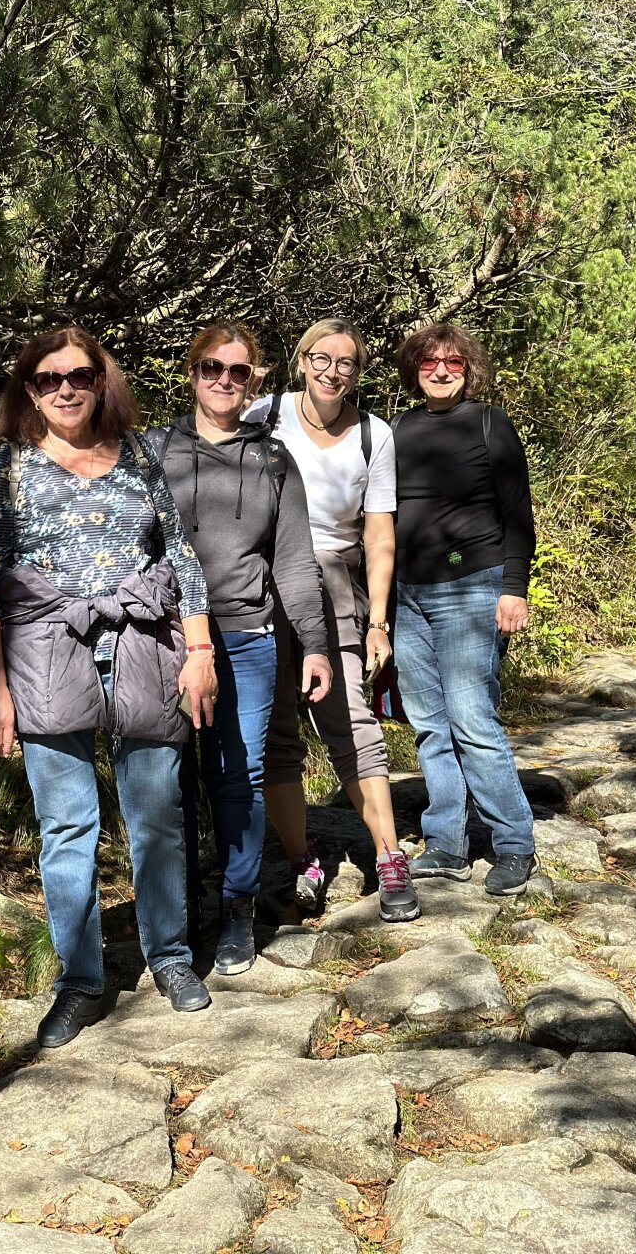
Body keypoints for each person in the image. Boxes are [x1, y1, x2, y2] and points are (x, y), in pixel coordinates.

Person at [0, 326, 219, 1049]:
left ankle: (169, 957)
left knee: (158, 815)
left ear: (101, 381)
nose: (66, 389)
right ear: (30, 390)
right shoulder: (10, 467)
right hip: (45, 652)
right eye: (49, 379)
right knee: (66, 826)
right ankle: (79, 979)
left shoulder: (138, 455)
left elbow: (182, 558)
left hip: (145, 646)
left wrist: (200, 650)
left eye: (79, 375)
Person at [147, 322, 333, 974]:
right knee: (167, 780)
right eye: (211, 367)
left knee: (239, 777)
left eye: (238, 371)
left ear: (255, 380)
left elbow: (294, 562)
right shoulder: (153, 451)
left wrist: (314, 645)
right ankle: (178, 914)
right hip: (165, 639)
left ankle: (237, 909)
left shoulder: (274, 461)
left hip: (249, 638)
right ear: (191, 372)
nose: (224, 380)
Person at [245, 318, 420, 923]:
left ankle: (390, 857)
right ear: (301, 361)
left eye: (346, 362)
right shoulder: (265, 415)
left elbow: (379, 535)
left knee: (350, 719)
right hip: (260, 584)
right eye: (321, 358)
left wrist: (379, 623)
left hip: (335, 585)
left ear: (358, 372)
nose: (332, 371)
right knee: (275, 730)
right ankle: (303, 861)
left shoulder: (374, 435)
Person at [390, 322, 538, 896]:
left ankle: (514, 843)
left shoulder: (488, 423)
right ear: (415, 369)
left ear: (468, 369)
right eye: (429, 362)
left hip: (473, 587)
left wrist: (514, 587)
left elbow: (517, 513)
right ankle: (446, 845)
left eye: (453, 362)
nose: (441, 371)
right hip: (407, 595)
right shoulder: (397, 429)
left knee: (472, 718)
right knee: (429, 724)